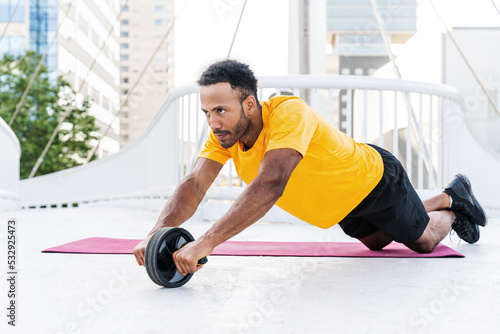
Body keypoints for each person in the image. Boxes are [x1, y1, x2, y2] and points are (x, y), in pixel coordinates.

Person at [133, 59, 487, 276]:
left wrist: (207, 242)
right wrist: (156, 232)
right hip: (342, 204)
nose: (213, 122)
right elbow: (195, 184)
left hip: (375, 181)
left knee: (423, 241)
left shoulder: (288, 113)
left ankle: (452, 199)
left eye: (221, 110)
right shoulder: (224, 136)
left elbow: (271, 183)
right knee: (378, 243)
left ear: (250, 104)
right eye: (207, 113)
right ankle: (437, 199)